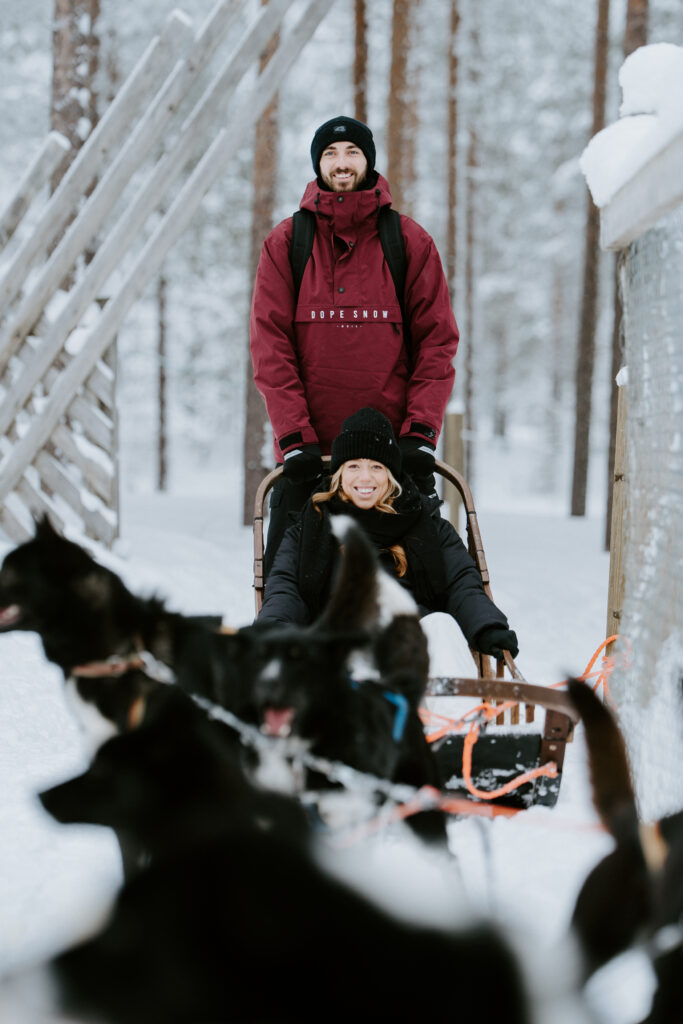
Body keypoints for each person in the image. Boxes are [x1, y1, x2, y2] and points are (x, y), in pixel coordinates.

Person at [250, 115, 460, 574]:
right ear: (317, 165)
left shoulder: (408, 241)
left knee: (415, 589)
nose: (341, 163)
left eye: (352, 153)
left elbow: (437, 344)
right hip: (308, 460)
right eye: (330, 154)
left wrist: (419, 435)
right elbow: (271, 347)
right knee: (293, 591)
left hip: (391, 463)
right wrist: (294, 439)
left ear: (368, 161)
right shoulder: (286, 243)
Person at [258, 408, 518, 676]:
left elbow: (461, 584)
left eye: (376, 467)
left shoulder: (427, 526)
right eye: (354, 466)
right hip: (341, 646)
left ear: (391, 474)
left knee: (441, 624)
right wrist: (273, 632)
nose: (365, 477)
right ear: (339, 473)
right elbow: (285, 590)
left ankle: (452, 716)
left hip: (413, 643)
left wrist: (488, 627)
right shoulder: (309, 528)